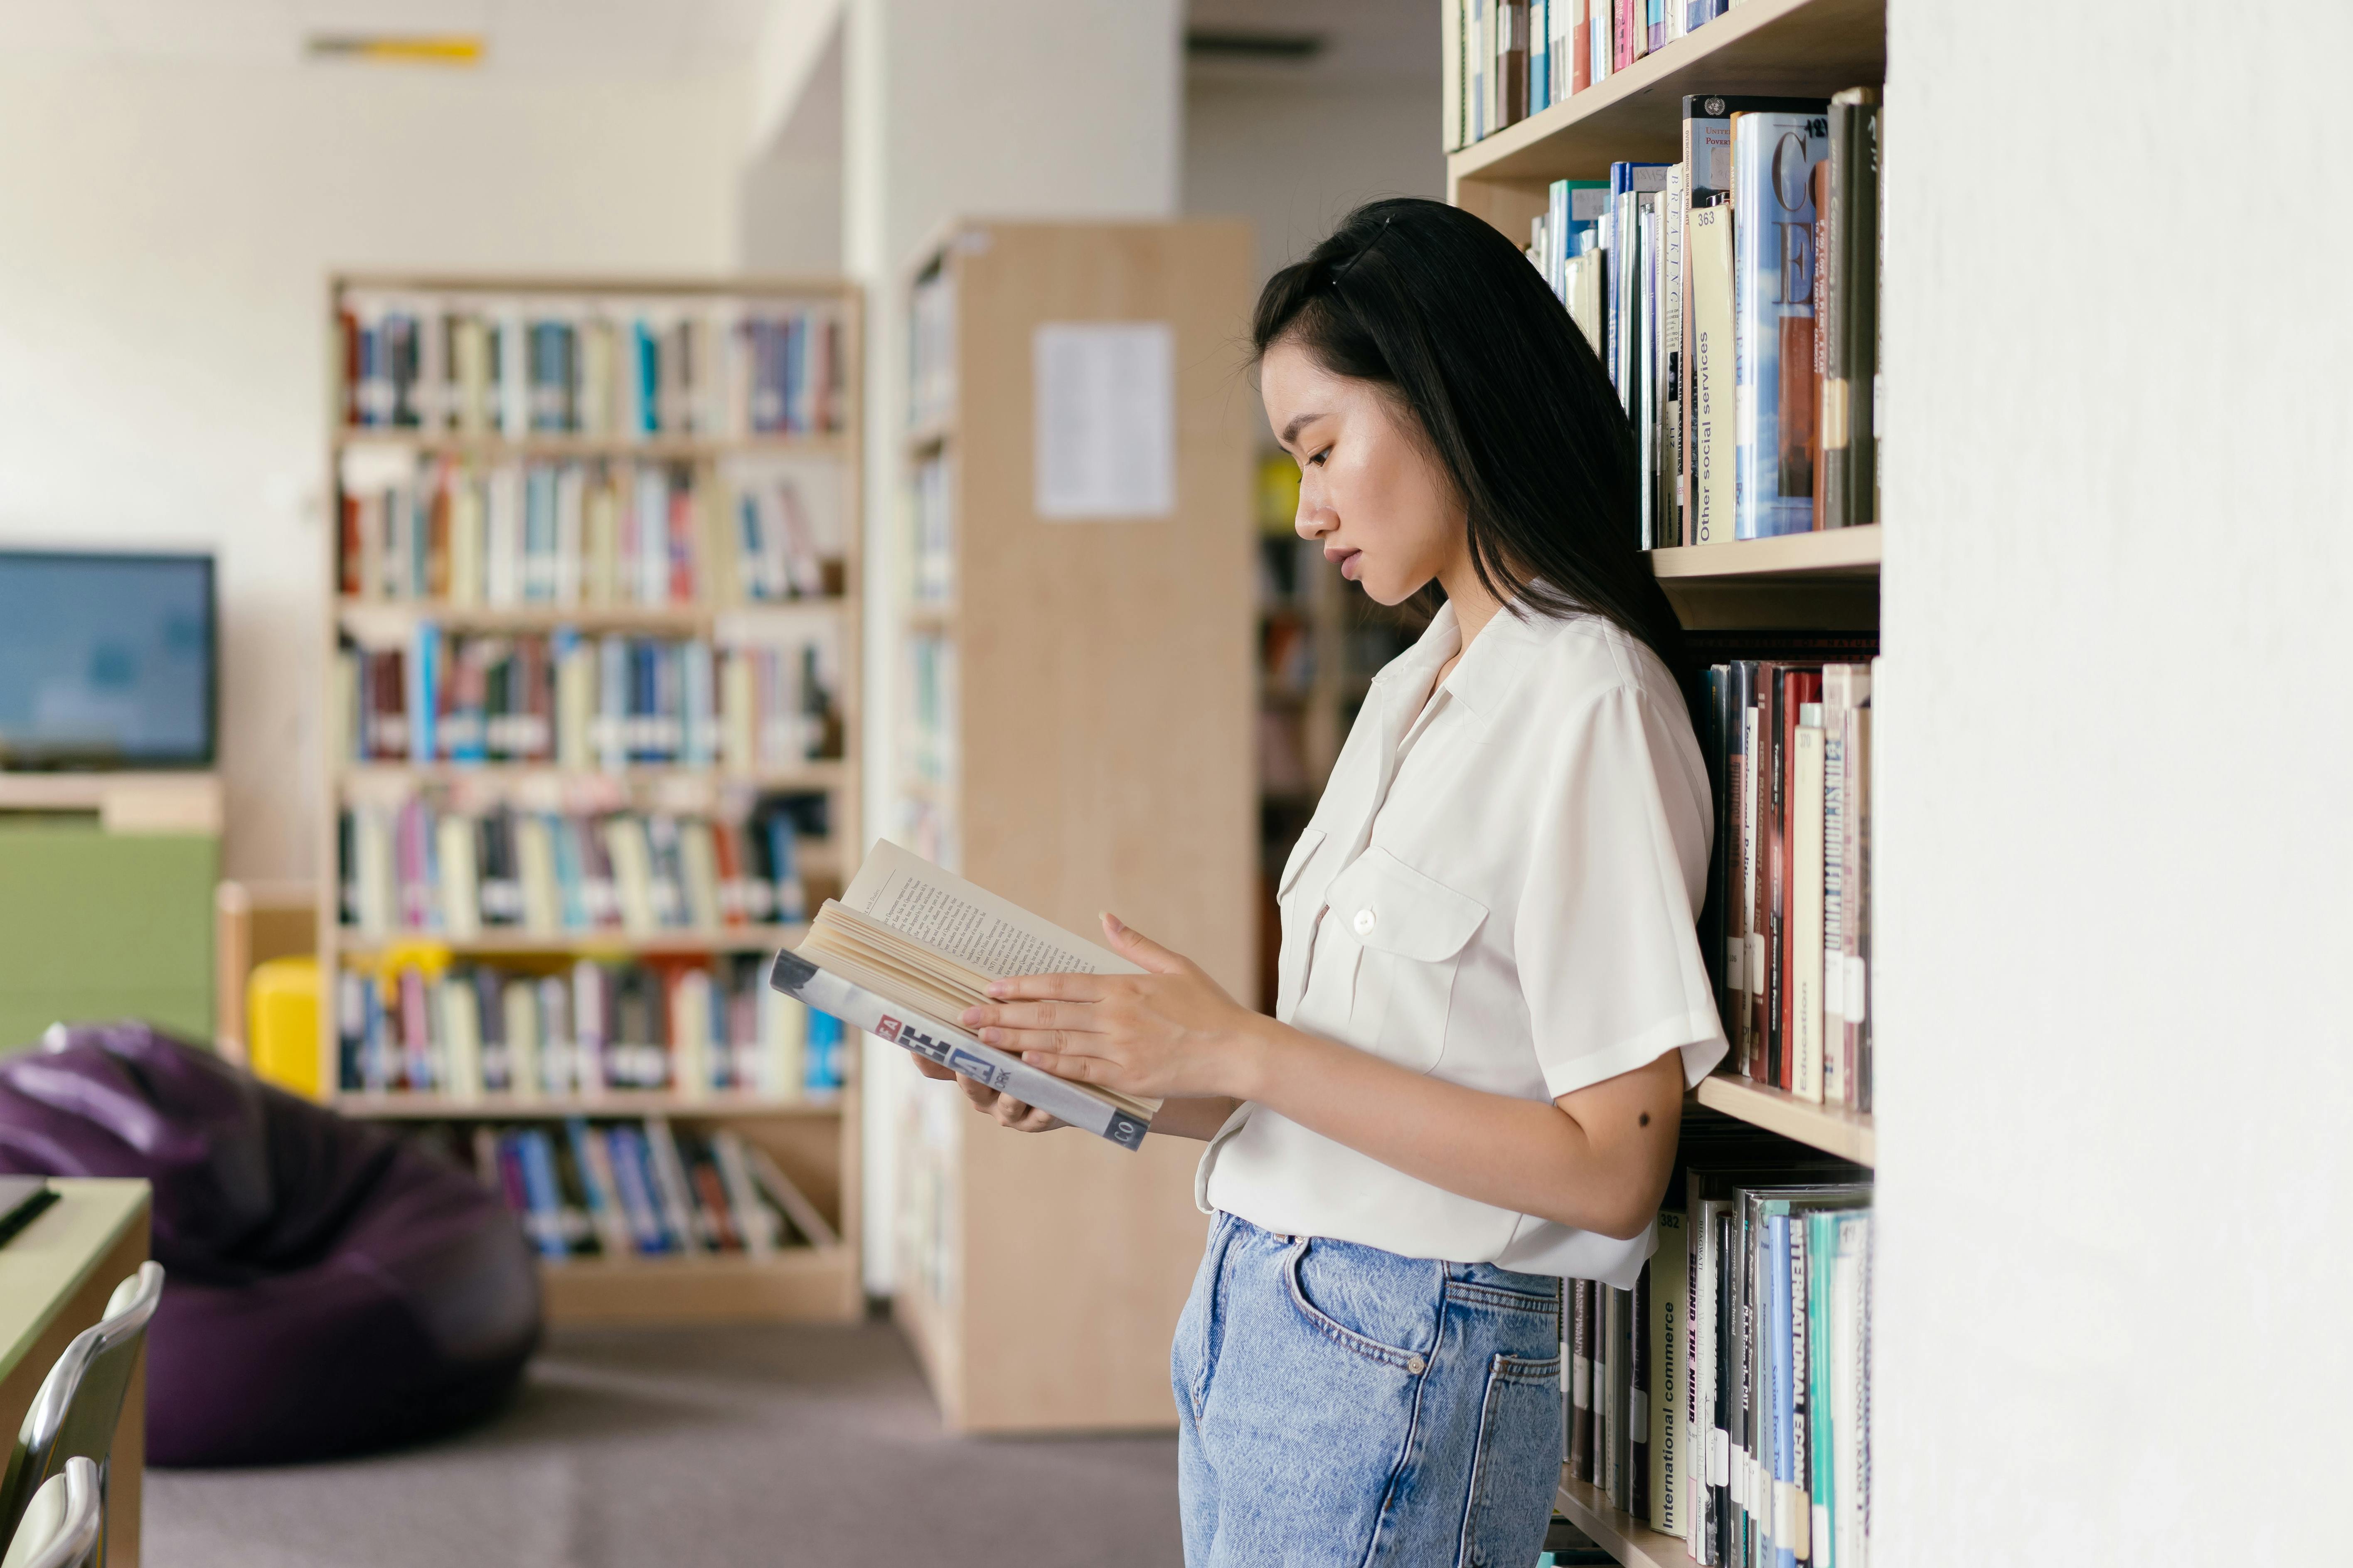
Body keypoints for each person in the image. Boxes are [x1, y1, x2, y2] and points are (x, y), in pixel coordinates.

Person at [941, 197, 1727, 1567]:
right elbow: (1341, 1091)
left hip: (1404, 1351)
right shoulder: (1409, 689)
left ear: (1440, 398)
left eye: (1320, 449)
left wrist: (1238, 1043)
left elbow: (1613, 1170)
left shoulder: (1588, 697)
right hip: (1258, 1314)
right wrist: (1104, 1074)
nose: (1305, 513)